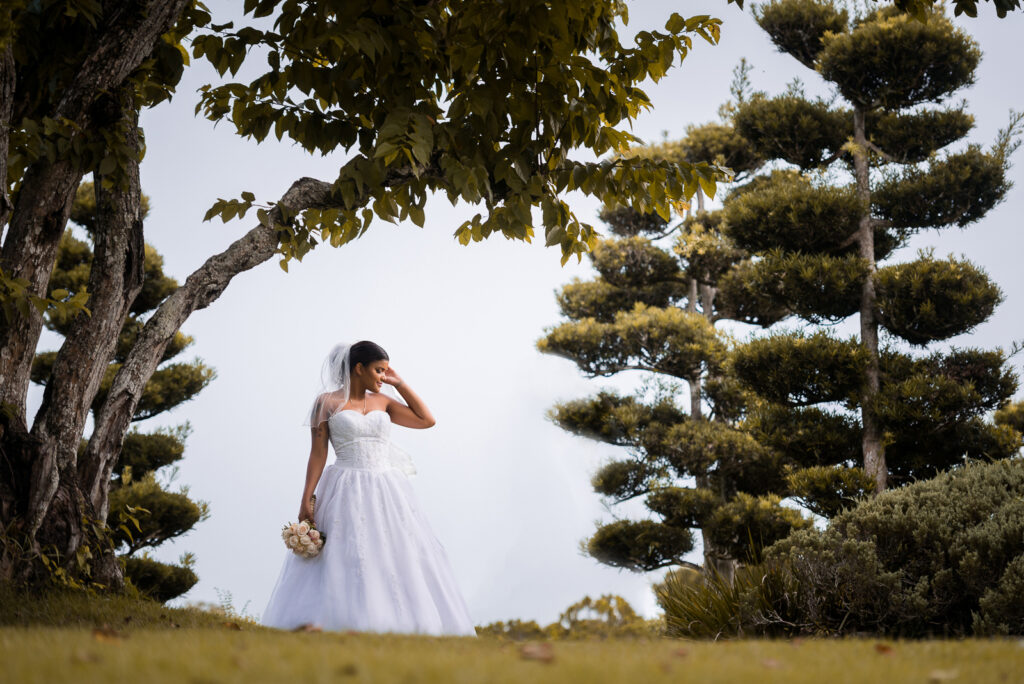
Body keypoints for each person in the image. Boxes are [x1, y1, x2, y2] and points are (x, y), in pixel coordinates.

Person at [261, 340, 476, 636]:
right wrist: (306, 500)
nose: (382, 378)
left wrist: (399, 384)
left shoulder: (384, 402)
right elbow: (318, 454)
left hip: (387, 488)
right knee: (346, 553)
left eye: (386, 372)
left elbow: (427, 420)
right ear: (358, 368)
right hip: (344, 486)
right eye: (378, 370)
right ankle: (335, 619)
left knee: (394, 553)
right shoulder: (327, 403)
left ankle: (397, 623)